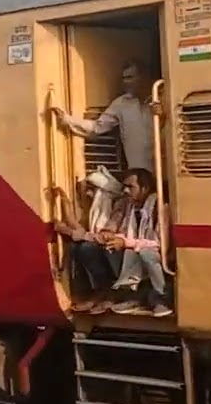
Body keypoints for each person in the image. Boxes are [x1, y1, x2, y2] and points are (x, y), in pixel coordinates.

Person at [49, 61, 165, 172]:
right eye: (123, 78)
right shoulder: (121, 104)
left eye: (130, 77)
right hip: (140, 175)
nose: (125, 82)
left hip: (165, 171)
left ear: (144, 77)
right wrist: (66, 119)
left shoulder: (163, 99)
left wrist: (164, 115)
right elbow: (97, 127)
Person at [53, 167, 128, 314]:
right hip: (104, 247)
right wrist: (64, 201)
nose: (87, 193)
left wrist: (68, 231)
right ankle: (91, 294)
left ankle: (107, 293)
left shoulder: (118, 205)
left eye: (91, 189)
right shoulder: (96, 208)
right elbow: (80, 228)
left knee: (86, 248)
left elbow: (102, 236)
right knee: (76, 247)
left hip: (119, 249)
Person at [103, 168, 173, 317]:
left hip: (159, 254)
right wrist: (114, 238)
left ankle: (162, 299)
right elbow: (125, 232)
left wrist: (126, 243)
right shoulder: (132, 206)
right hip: (137, 249)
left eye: (131, 187)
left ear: (145, 188)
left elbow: (158, 243)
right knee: (111, 249)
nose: (126, 191)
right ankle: (132, 295)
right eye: (125, 187)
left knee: (146, 253)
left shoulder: (160, 208)